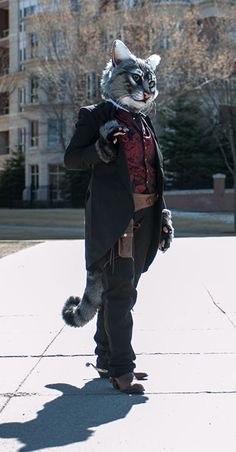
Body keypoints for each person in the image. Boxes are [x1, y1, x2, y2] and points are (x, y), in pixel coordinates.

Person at [62, 40, 174, 394]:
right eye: (137, 83)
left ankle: (106, 357)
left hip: (147, 215)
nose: (144, 93)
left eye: (149, 86)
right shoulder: (95, 115)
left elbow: (151, 171)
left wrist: (165, 215)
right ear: (115, 75)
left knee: (123, 292)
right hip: (114, 219)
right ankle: (122, 369)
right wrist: (100, 148)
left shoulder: (144, 122)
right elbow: (72, 159)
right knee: (121, 293)